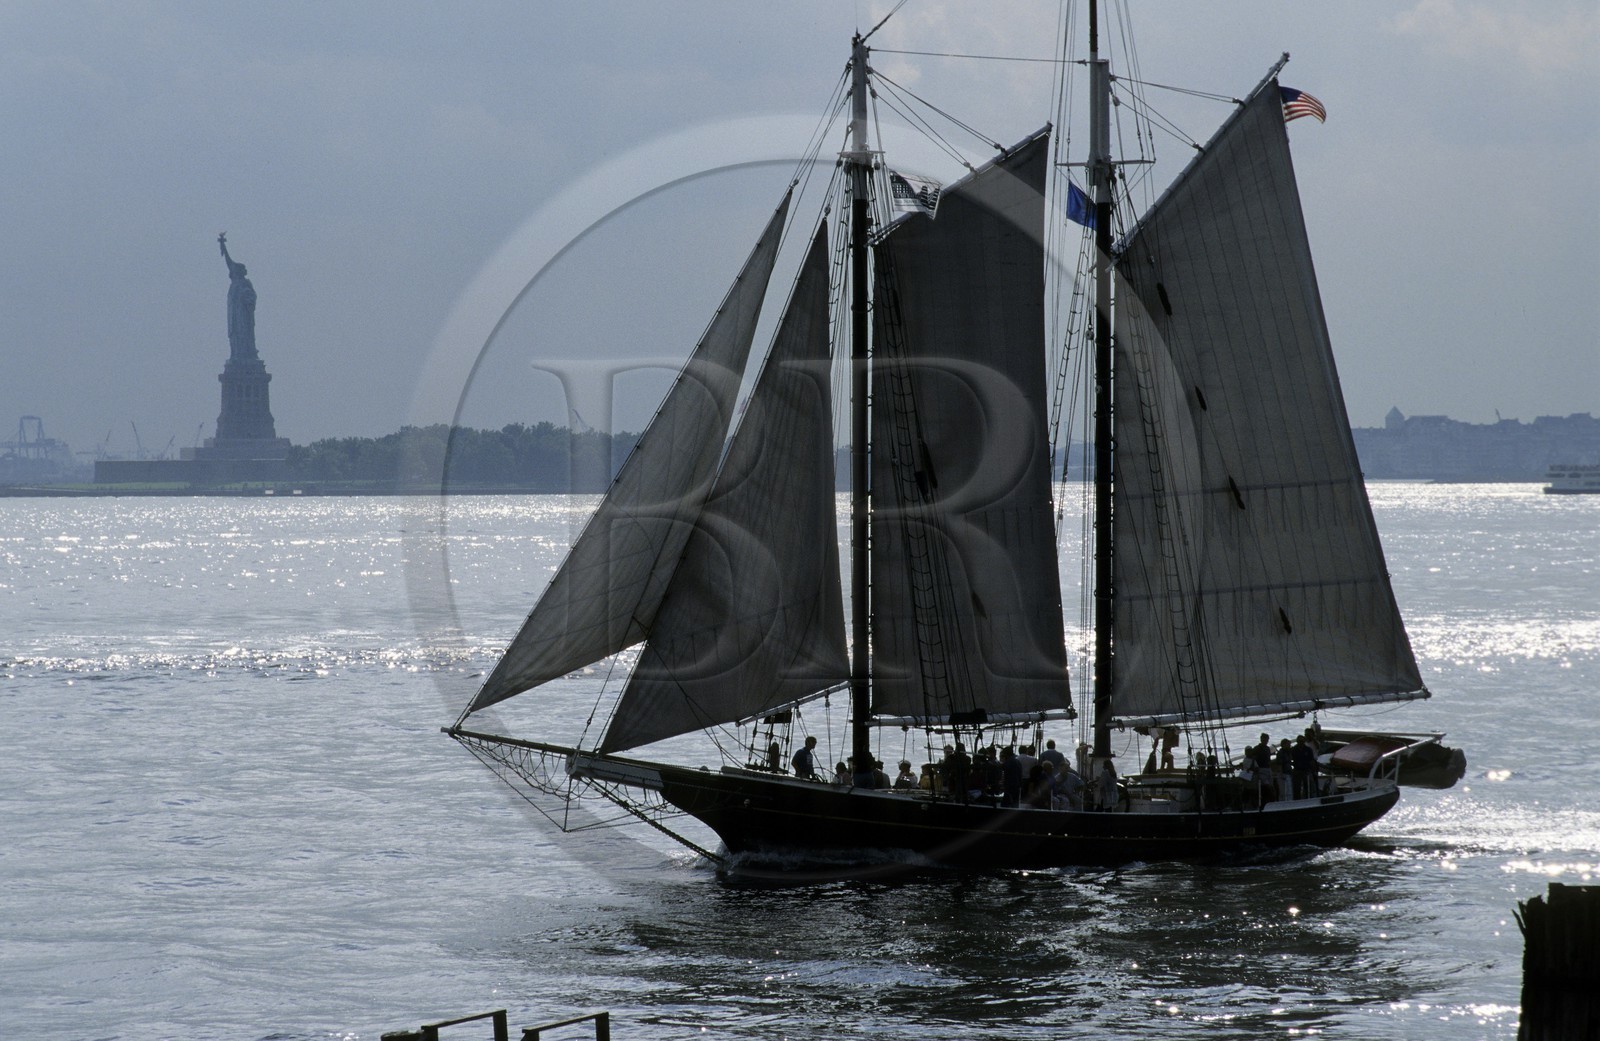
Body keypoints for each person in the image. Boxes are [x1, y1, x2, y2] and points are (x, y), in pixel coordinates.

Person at [218, 232, 258, 360]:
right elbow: (229, 263)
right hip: (234, 318)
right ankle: (236, 355)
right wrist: (223, 246)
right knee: (234, 337)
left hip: (243, 318)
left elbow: (251, 298)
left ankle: (247, 354)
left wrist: (248, 298)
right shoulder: (235, 283)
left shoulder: (245, 284)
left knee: (244, 336)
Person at [1290, 734, 1318, 799]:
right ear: (1297, 741)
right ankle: (1297, 799)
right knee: (1296, 787)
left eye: (1302, 741)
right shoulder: (1294, 749)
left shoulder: (1308, 749)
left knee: (1308, 786)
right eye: (1299, 741)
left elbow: (1311, 760)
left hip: (1306, 770)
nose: (1301, 742)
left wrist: (1313, 770)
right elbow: (1290, 758)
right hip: (1297, 770)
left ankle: (1309, 798)